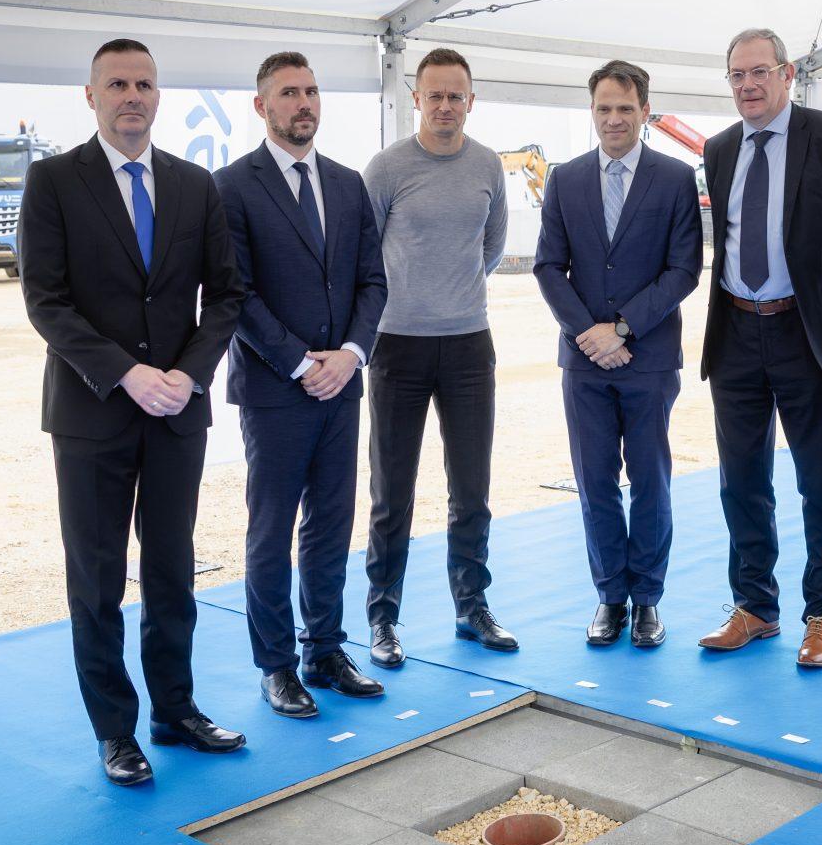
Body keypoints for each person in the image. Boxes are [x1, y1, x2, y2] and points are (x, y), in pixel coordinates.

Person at [18, 38, 245, 785]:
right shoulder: (54, 180)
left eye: (144, 84)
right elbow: (45, 301)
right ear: (91, 96)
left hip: (176, 412)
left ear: (158, 95)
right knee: (97, 581)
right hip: (91, 415)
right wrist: (126, 374)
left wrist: (187, 374)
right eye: (117, 84)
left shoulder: (194, 185)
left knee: (173, 571)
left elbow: (226, 296)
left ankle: (175, 711)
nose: (132, 96)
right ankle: (115, 731)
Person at [215, 51, 388, 718]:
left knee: (331, 527)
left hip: (341, 387)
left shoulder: (347, 184)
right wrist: (299, 363)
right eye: (289, 93)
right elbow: (236, 293)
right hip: (275, 390)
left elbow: (372, 281)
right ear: (262, 106)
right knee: (272, 533)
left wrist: (350, 355)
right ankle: (277, 666)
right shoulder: (232, 186)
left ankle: (325, 650)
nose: (304, 103)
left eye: (312, 91)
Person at [697, 28, 822, 668]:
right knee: (741, 482)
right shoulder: (719, 149)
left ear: (787, 73)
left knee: (820, 483)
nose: (747, 85)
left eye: (759, 72)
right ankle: (754, 606)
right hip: (735, 332)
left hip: (807, 334)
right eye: (736, 75)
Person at [534, 61, 703, 646]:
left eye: (625, 108)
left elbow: (684, 269)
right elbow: (548, 266)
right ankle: (610, 596)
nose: (614, 119)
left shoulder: (675, 178)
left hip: (649, 359)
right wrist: (590, 333)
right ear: (592, 111)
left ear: (645, 112)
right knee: (595, 481)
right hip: (584, 362)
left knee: (651, 479)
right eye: (604, 108)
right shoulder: (565, 179)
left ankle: (647, 600)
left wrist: (623, 329)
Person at [362, 47, 513, 665]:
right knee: (391, 494)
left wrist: (454, 296)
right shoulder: (387, 168)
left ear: (470, 101)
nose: (445, 106)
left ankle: (472, 606)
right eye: (435, 95)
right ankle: (383, 618)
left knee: (471, 491)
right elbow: (363, 252)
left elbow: (492, 246)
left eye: (456, 96)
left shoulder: (488, 165)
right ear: (416, 98)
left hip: (469, 345)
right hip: (397, 345)